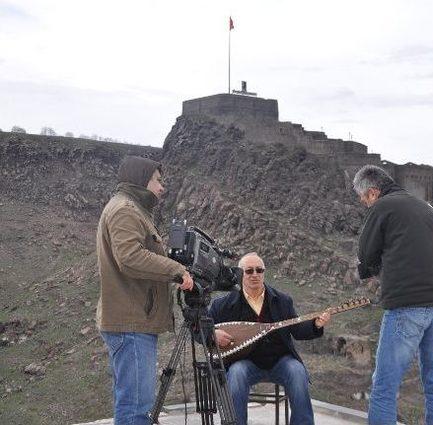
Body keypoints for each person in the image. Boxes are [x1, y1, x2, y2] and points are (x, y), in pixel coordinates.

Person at [96, 155, 194, 425]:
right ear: (142, 179)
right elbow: (129, 258)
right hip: (131, 321)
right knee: (136, 407)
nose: (162, 187)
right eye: (158, 181)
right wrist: (177, 270)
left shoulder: (132, 209)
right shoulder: (126, 210)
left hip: (134, 319)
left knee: (133, 401)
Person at [353, 165, 433, 425]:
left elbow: (365, 256)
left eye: (364, 198)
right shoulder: (429, 210)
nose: (365, 204)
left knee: (384, 387)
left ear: (373, 192)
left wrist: (370, 271)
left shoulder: (382, 207)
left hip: (407, 306)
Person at [208, 252, 331, 425]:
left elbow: (296, 330)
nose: (255, 275)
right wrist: (212, 334)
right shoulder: (223, 304)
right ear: (240, 274)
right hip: (245, 362)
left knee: (297, 371)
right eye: (249, 271)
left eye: (259, 270)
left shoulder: (282, 300)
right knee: (236, 374)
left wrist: (315, 325)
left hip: (280, 361)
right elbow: (200, 328)